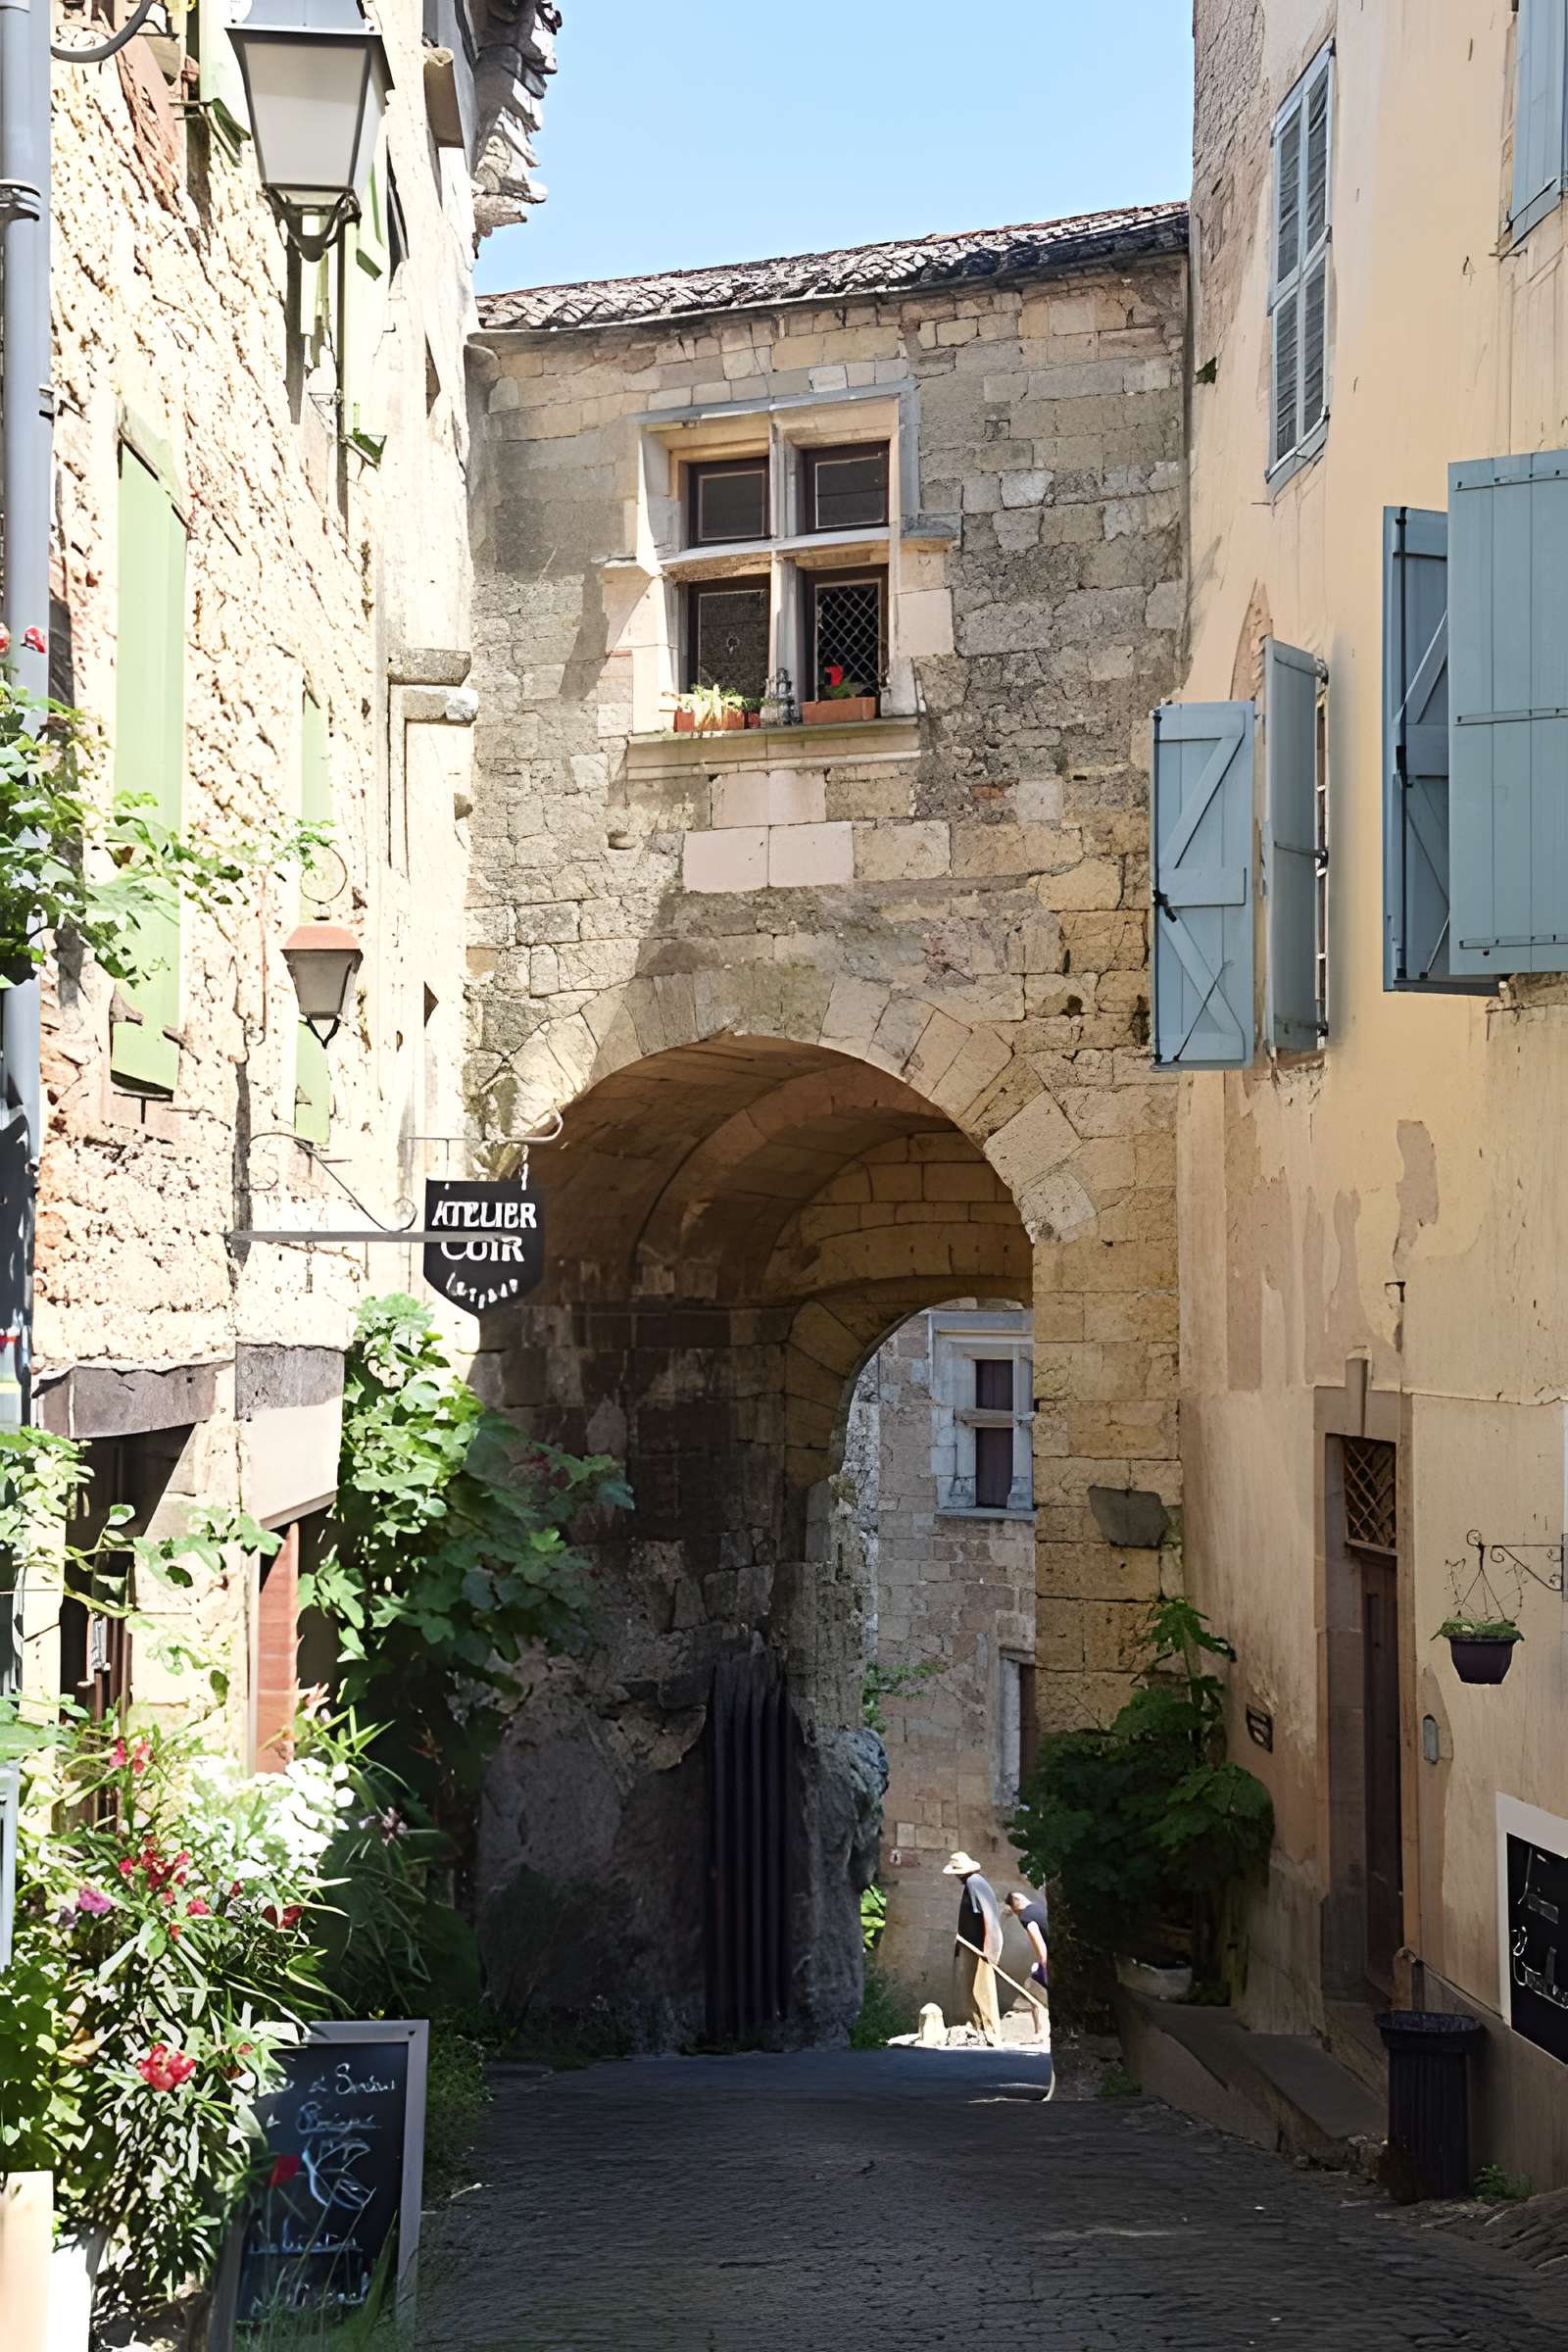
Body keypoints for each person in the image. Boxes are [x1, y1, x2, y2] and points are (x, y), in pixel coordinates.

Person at [944, 1850, 1003, 2042]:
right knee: (973, 1988)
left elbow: (987, 1916)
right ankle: (979, 2029)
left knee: (981, 1989)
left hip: (978, 1947)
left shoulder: (973, 1882)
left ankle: (989, 2031)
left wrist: (988, 1947)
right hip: (972, 1944)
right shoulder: (975, 1883)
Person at [1006, 1886, 1051, 2045]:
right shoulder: (1037, 1909)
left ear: (1015, 1906)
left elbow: (1039, 1941)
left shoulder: (1026, 1916)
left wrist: (1041, 1965)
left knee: (1033, 1989)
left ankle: (1040, 2032)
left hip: (1048, 1959)